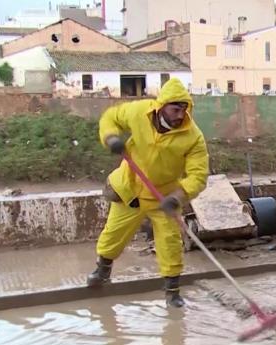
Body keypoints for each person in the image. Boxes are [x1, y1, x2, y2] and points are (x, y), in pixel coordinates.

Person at [86, 78, 209, 307]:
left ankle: (172, 291)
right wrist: (111, 137)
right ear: (161, 105)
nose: (180, 115)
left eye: (184, 109)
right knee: (114, 233)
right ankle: (102, 270)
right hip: (130, 188)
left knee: (170, 243)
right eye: (175, 109)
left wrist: (178, 197)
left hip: (163, 197)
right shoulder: (138, 112)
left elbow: (198, 176)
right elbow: (111, 117)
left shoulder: (193, 137)